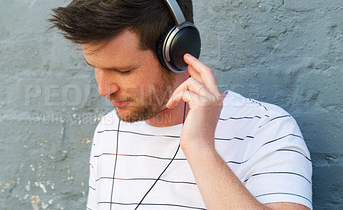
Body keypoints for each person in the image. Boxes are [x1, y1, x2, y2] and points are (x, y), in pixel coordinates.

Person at [50, 0, 312, 209]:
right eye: (95, 68)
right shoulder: (108, 130)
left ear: (176, 52)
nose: (104, 89)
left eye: (124, 71)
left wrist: (200, 148)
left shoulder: (266, 128)